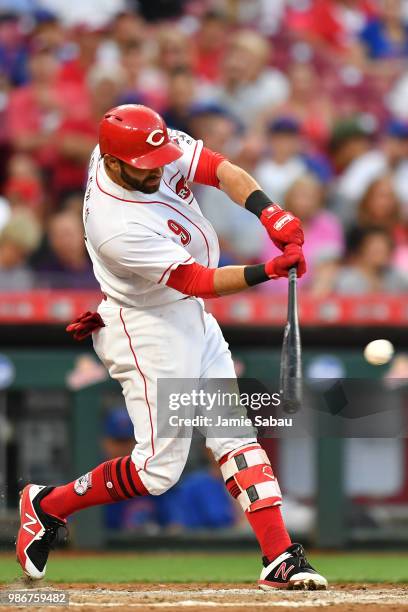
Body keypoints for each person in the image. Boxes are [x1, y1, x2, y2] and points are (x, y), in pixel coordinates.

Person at [16, 104, 327, 591]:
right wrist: (266, 270)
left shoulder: (143, 144)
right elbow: (197, 280)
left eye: (159, 157)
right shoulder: (114, 224)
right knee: (157, 470)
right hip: (147, 328)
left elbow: (219, 169)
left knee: (234, 433)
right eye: (146, 164)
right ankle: (46, 505)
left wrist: (271, 211)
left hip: (188, 316)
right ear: (114, 163)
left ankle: (279, 556)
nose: (158, 168)